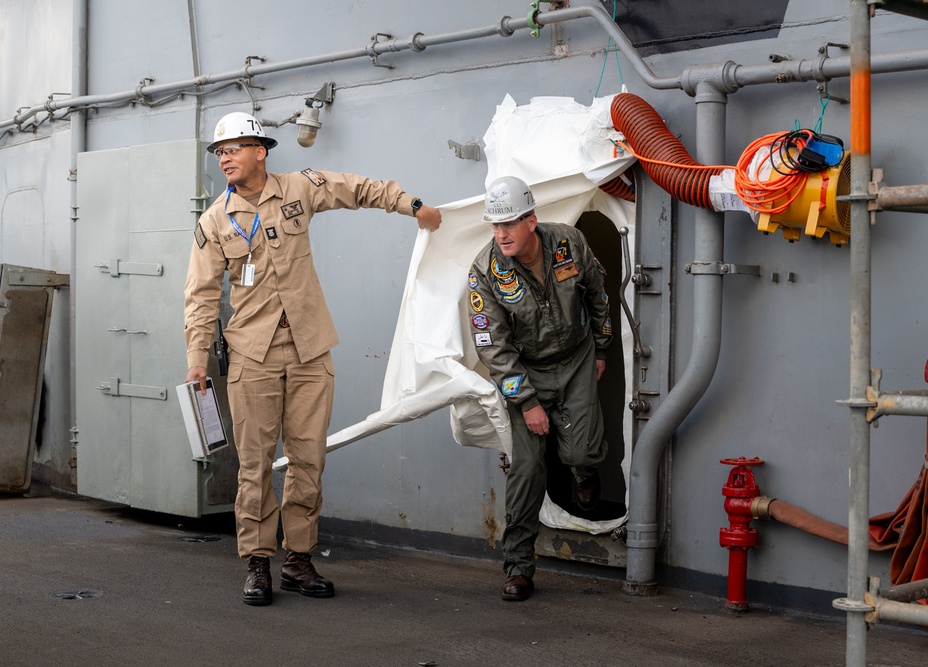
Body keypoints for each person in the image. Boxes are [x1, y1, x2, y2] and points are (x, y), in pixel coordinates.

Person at [183, 111, 442, 606]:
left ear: (261, 150)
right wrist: (197, 355)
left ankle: (298, 559)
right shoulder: (215, 220)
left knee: (308, 460)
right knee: (254, 466)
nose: (225, 157)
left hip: (308, 350)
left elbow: (359, 188)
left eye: (234, 147)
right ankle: (257, 563)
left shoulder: (300, 188)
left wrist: (413, 206)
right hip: (252, 356)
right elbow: (200, 294)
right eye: (220, 151)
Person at [467, 176, 612, 601]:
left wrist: (602, 348)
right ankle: (518, 567)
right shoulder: (485, 271)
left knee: (580, 451)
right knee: (528, 471)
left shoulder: (569, 243)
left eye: (509, 223)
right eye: (494, 226)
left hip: (577, 358)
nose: (501, 234)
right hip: (526, 373)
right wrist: (527, 402)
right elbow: (493, 345)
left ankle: (585, 473)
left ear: (532, 219)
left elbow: (597, 295)